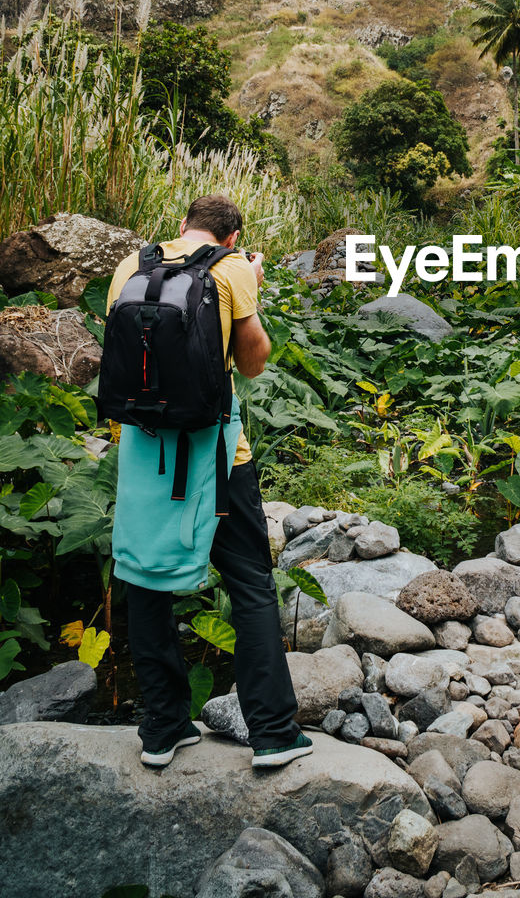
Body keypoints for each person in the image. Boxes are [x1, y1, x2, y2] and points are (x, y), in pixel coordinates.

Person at [107, 194, 311, 770]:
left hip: (144, 451)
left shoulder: (131, 267)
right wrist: (254, 289)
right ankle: (272, 732)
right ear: (231, 236)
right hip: (217, 454)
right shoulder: (232, 270)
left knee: (143, 580)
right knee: (249, 582)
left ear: (181, 227)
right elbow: (253, 364)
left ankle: (162, 730)